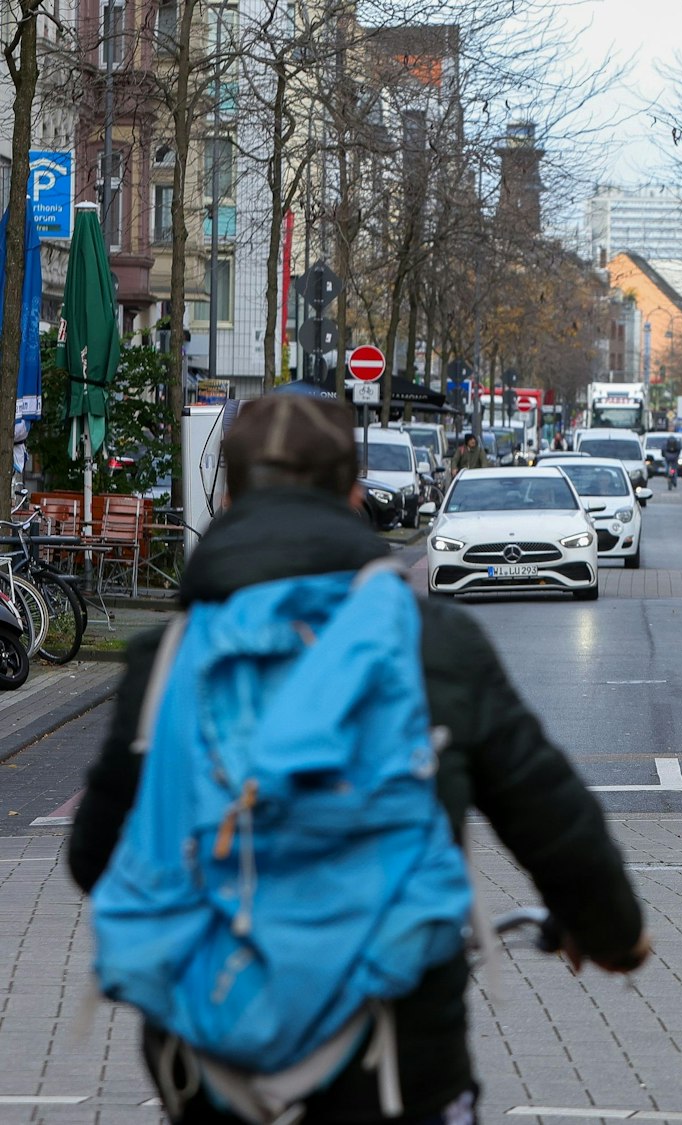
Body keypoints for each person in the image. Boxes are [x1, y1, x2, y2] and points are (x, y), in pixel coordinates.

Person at [68, 396, 650, 1125]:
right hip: (396, 1060)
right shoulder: (431, 642)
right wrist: (614, 933)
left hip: (211, 1062)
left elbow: (93, 857)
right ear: (353, 494)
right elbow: (551, 816)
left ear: (227, 497)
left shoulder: (169, 656)